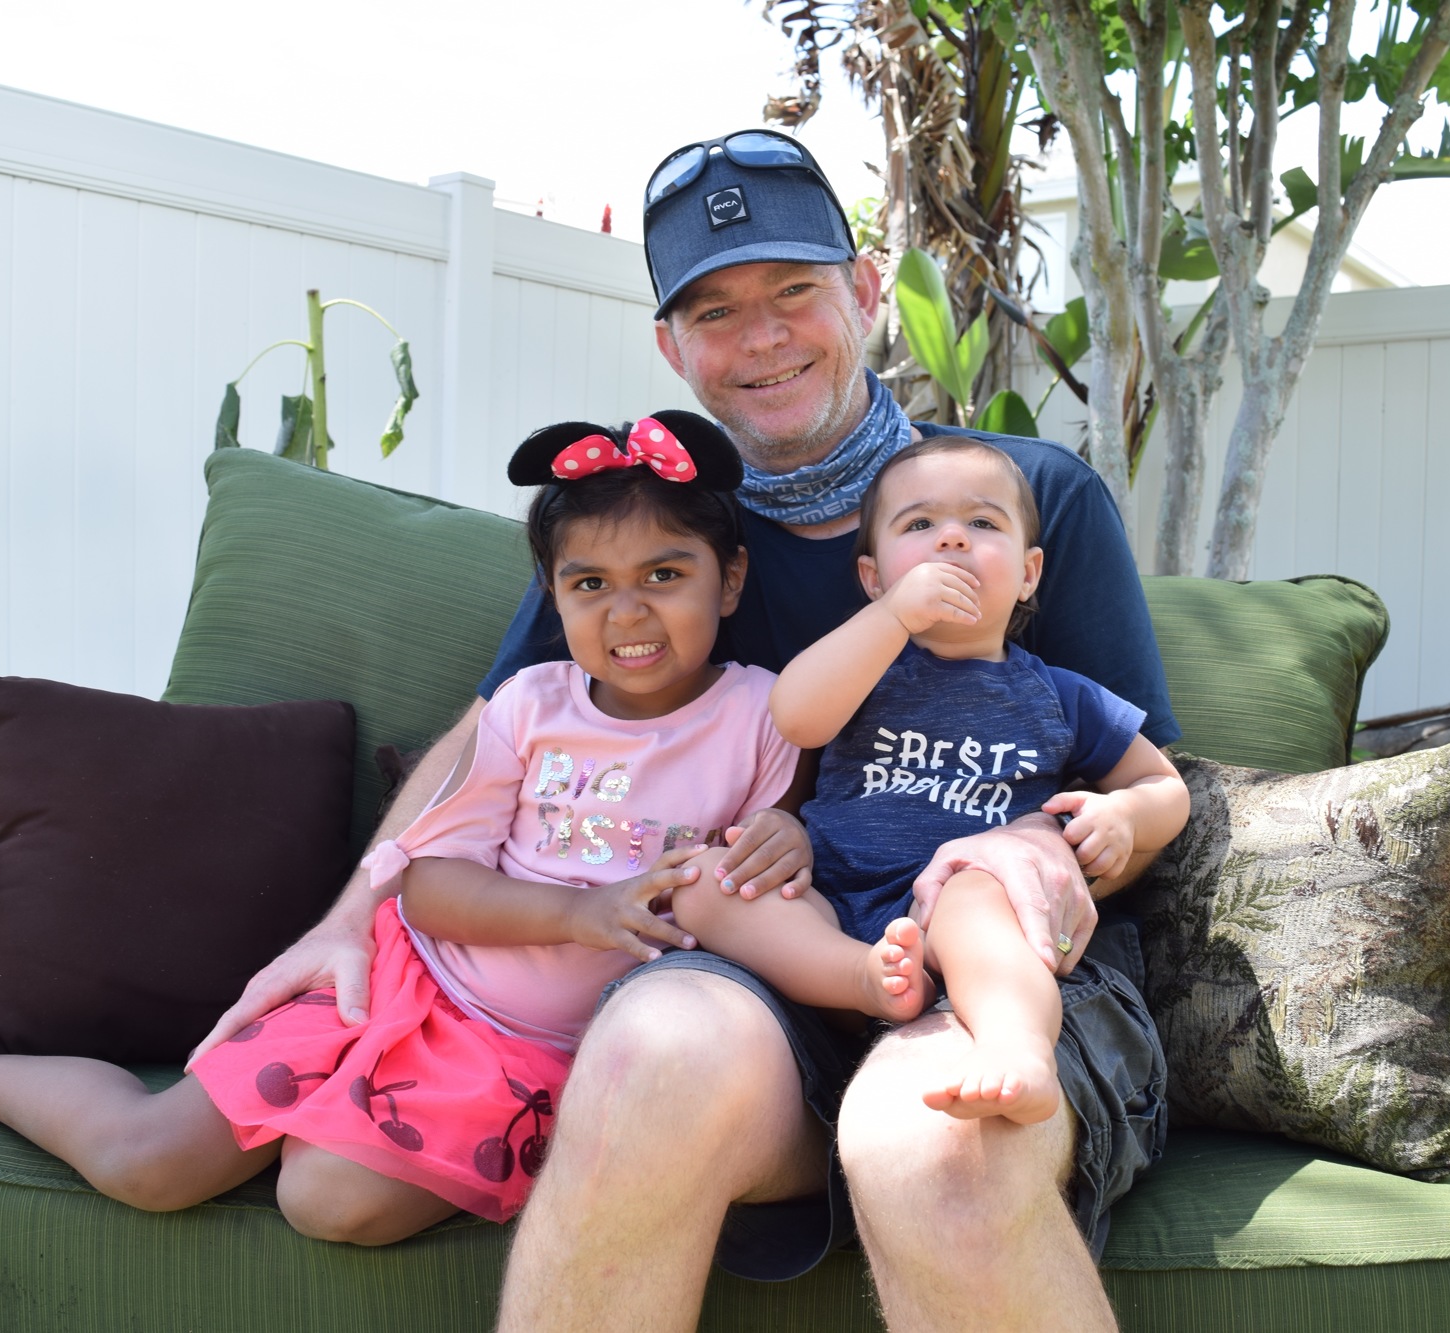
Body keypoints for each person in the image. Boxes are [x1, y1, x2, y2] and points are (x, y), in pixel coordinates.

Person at [190, 129, 1185, 1330]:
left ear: (866, 290)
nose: (760, 338)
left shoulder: (1009, 497)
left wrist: (1039, 840)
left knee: (933, 1149)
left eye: (793, 293)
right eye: (714, 312)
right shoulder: (659, 530)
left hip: (992, 958)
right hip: (757, 957)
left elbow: (1142, 773)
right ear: (670, 345)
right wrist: (357, 908)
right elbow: (499, 725)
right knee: (645, 1059)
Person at [0, 410, 810, 1246]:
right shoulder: (528, 708)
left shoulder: (765, 719)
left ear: (726, 581)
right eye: (589, 582)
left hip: (547, 1055)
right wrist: (583, 912)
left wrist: (788, 846)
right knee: (149, 1163)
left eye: (663, 575)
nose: (626, 611)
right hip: (410, 979)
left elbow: (770, 868)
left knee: (329, 1200)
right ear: (552, 595)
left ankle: (324, 1129)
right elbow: (427, 882)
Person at [670, 436, 1189, 1128]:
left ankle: (1017, 1050)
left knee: (980, 898)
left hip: (952, 901)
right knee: (703, 882)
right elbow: (795, 715)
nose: (951, 540)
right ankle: (865, 979)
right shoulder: (863, 664)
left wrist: (1123, 815)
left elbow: (1165, 785)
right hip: (827, 897)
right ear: (874, 577)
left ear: (1030, 572)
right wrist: (890, 621)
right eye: (918, 525)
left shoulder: (1061, 696)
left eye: (982, 523)